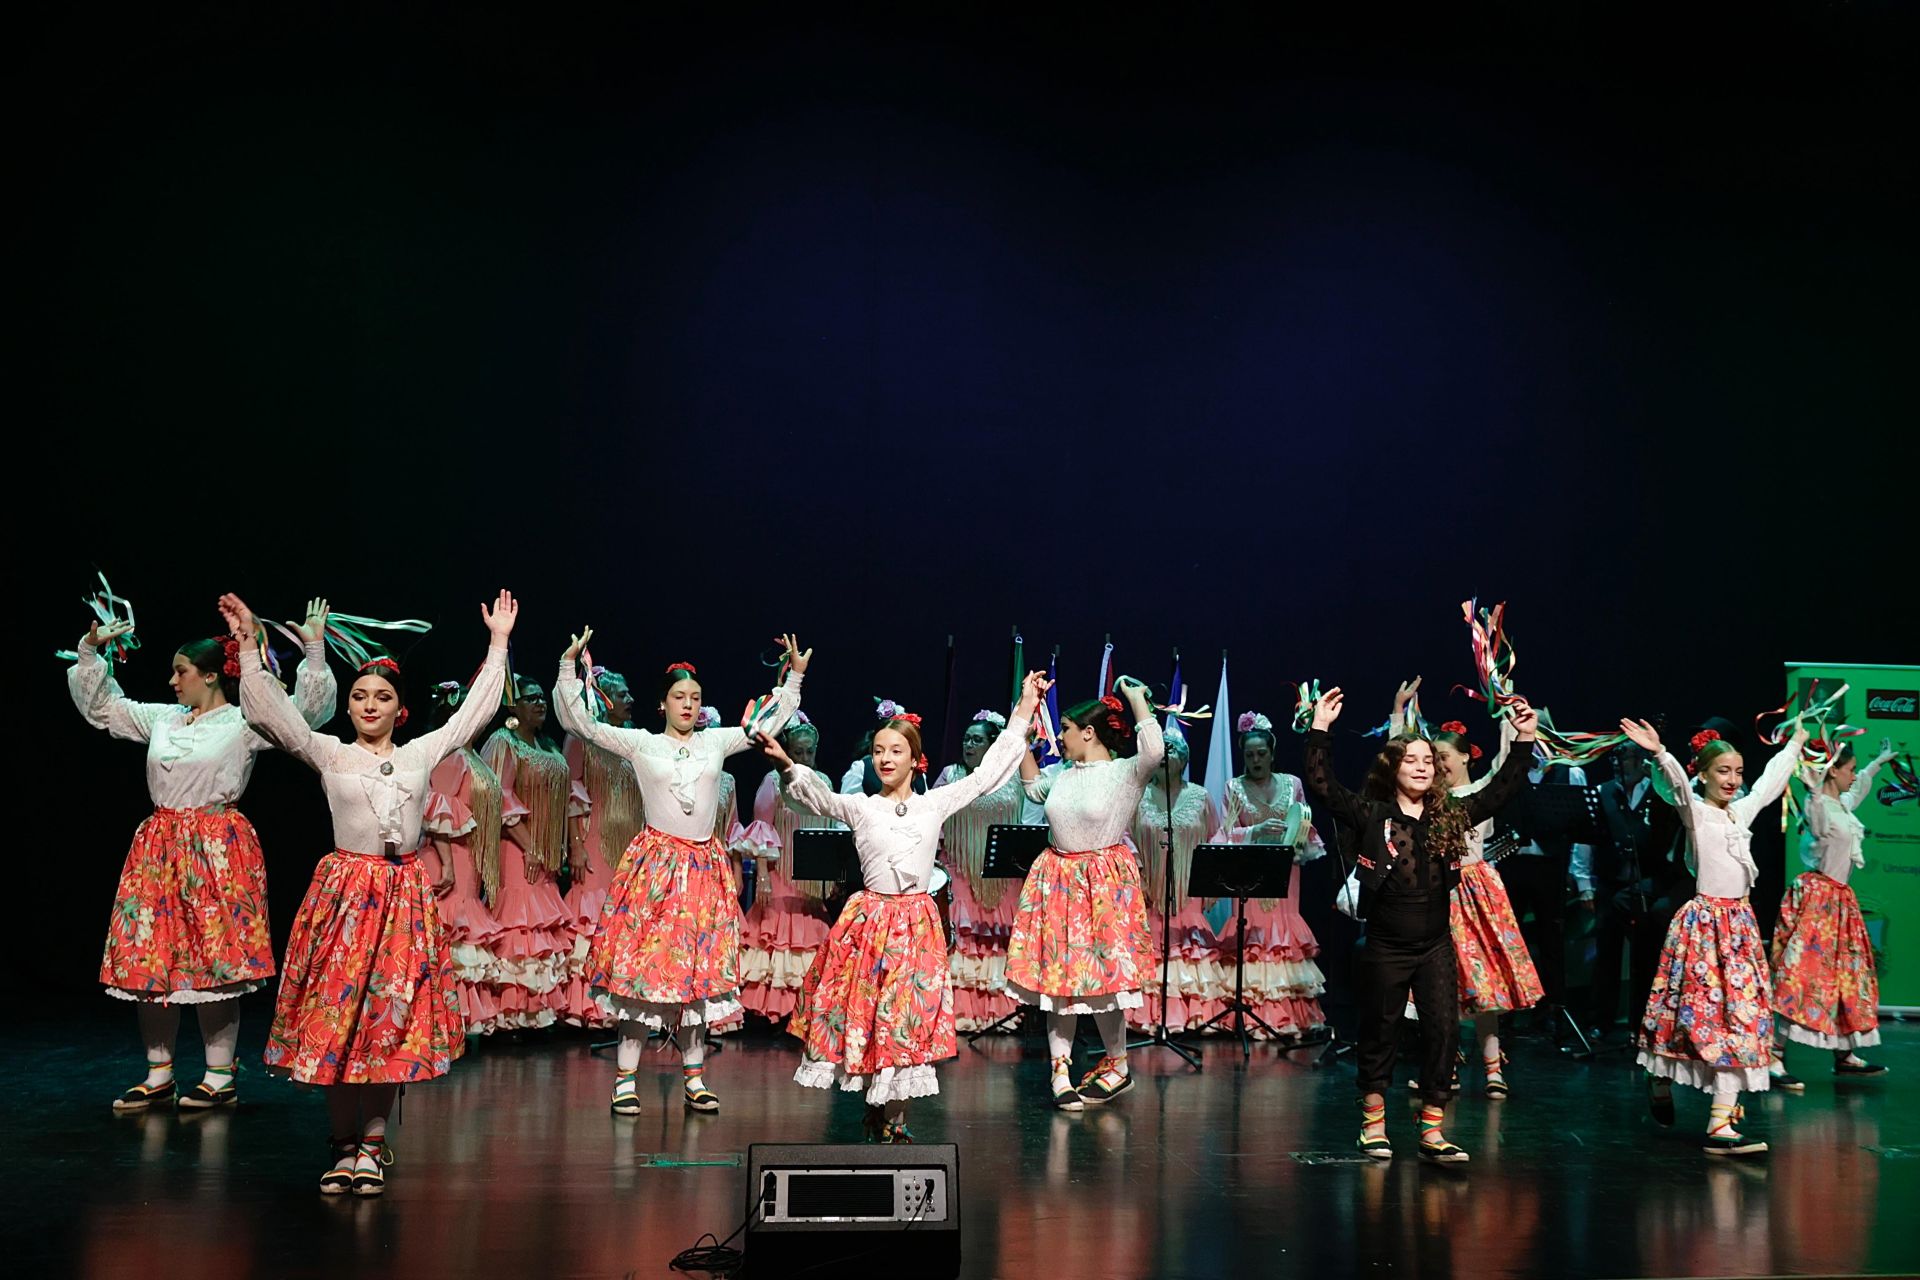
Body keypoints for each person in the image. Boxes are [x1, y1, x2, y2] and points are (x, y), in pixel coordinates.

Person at [228, 588, 517, 1196]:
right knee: (338, 1017)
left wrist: (497, 646)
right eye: (359, 695)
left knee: (390, 1021)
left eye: (381, 697)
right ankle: (340, 1143)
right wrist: (250, 651)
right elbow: (273, 715)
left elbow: (471, 717)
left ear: (399, 710)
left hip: (402, 899)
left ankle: (375, 1142)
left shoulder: (418, 756)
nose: (367, 704)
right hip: (345, 897)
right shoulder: (330, 753)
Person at [72, 600, 336, 1111]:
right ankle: (159, 1074)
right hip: (159, 846)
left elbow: (303, 714)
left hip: (219, 848)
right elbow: (104, 706)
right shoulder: (164, 719)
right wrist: (90, 649)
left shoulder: (243, 722)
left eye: (181, 672)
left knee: (217, 965)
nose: (173, 682)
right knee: (150, 961)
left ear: (211, 676)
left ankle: (220, 1075)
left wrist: (313, 647)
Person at [765, 674, 1044, 1141]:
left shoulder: (934, 803)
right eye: (878, 750)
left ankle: (895, 1116)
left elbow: (987, 774)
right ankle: (878, 1104)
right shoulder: (861, 806)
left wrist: (1023, 711)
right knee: (870, 1012)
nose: (885, 758)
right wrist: (788, 766)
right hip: (870, 921)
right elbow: (815, 797)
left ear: (916, 759)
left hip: (915, 923)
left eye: (895, 750)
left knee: (906, 1016)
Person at [551, 629, 808, 1117]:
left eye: (695, 698)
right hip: (655, 866)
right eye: (679, 698)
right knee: (641, 974)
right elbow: (581, 723)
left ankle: (695, 1078)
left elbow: (771, 718)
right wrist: (567, 667)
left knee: (697, 975)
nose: (688, 705)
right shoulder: (641, 744)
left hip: (703, 867)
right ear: (662, 704)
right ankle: (626, 1079)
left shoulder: (715, 742)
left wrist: (793, 676)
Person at [1302, 687, 1536, 1164]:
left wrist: (1524, 740)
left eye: (1428, 759)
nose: (1423, 766)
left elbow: (1500, 790)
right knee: (1380, 1032)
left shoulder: (1449, 814)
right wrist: (1320, 731)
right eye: (1412, 760)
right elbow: (1323, 787)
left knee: (1444, 1033)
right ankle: (1373, 1124)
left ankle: (1432, 1130)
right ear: (1394, 768)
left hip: (1435, 945)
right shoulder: (1373, 814)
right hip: (1387, 946)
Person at [1619, 715, 1807, 1157]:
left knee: (1738, 1020)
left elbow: (1768, 785)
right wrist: (1659, 752)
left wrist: (1796, 742)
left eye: (1737, 771)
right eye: (1723, 771)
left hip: (1739, 928)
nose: (1733, 779)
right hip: (1704, 929)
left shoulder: (1740, 812)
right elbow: (1679, 788)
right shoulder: (1696, 813)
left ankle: (1721, 1121)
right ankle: (1660, 1076)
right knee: (1691, 1018)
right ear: (1703, 773)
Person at [1006, 678, 1164, 1110]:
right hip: (1057, 880)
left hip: (1103, 886)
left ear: (1089, 733)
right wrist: (1024, 735)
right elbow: (1033, 787)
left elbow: (1154, 751)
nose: (1060, 737)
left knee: (1102, 983)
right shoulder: (1060, 773)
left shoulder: (1123, 773)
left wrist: (1135, 698)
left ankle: (1118, 1066)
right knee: (1059, 983)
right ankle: (1060, 1072)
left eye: (1067, 729)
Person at [1771, 737, 1899, 1079]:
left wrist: (1878, 763)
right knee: (1803, 977)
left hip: (1840, 902)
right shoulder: (1820, 809)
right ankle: (1774, 1052)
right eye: (1851, 770)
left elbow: (1857, 792)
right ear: (1833, 771)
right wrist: (1812, 789)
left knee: (1846, 976)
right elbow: (1815, 821)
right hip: (1819, 901)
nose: (1854, 776)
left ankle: (1844, 1054)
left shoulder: (1840, 804)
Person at [934, 711, 1031, 1032]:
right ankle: (959, 1014)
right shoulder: (951, 775)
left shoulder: (1016, 777)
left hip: (1002, 875)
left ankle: (995, 1014)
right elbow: (932, 819)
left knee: (996, 940)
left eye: (977, 739)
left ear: (993, 745)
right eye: (966, 739)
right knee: (964, 940)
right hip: (959, 869)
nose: (968, 744)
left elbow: (1030, 822)